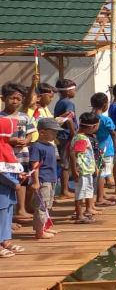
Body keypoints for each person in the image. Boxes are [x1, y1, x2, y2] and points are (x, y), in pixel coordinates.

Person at [0, 82, 35, 221]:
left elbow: (30, 133)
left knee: (23, 181)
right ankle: (9, 211)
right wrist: (10, 141)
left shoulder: (25, 117)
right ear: (3, 99)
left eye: (18, 99)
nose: (15, 101)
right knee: (8, 182)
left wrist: (26, 141)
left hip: (22, 155)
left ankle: (21, 209)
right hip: (5, 157)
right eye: (11, 98)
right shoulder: (1, 117)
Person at [28, 118, 62, 239]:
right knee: (41, 205)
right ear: (42, 132)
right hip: (43, 179)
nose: (55, 135)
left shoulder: (51, 146)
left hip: (52, 178)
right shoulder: (37, 147)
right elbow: (35, 165)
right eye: (53, 132)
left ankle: (45, 227)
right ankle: (39, 231)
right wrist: (36, 181)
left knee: (47, 204)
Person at [0, 114, 26, 257]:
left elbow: (9, 166)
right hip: (2, 189)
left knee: (7, 215)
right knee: (0, 216)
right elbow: (1, 172)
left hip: (7, 191)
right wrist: (14, 182)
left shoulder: (5, 147)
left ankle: (5, 240)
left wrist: (20, 174)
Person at [90, 93, 116, 207]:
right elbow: (113, 133)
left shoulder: (90, 117)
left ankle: (102, 193)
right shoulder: (106, 120)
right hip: (106, 149)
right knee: (102, 174)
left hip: (93, 149)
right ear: (104, 105)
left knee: (98, 172)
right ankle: (100, 198)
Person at [71, 113, 100, 223]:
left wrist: (95, 167)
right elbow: (73, 154)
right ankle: (79, 215)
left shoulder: (81, 136)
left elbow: (89, 154)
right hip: (82, 170)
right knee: (81, 192)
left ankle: (81, 213)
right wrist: (74, 170)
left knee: (87, 190)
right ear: (92, 127)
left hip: (87, 169)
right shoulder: (81, 138)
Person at [53, 78, 77, 199]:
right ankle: (64, 191)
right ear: (68, 91)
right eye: (74, 89)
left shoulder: (60, 102)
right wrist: (73, 133)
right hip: (66, 136)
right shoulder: (68, 103)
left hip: (62, 135)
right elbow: (69, 118)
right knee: (65, 163)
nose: (75, 92)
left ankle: (66, 188)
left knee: (66, 162)